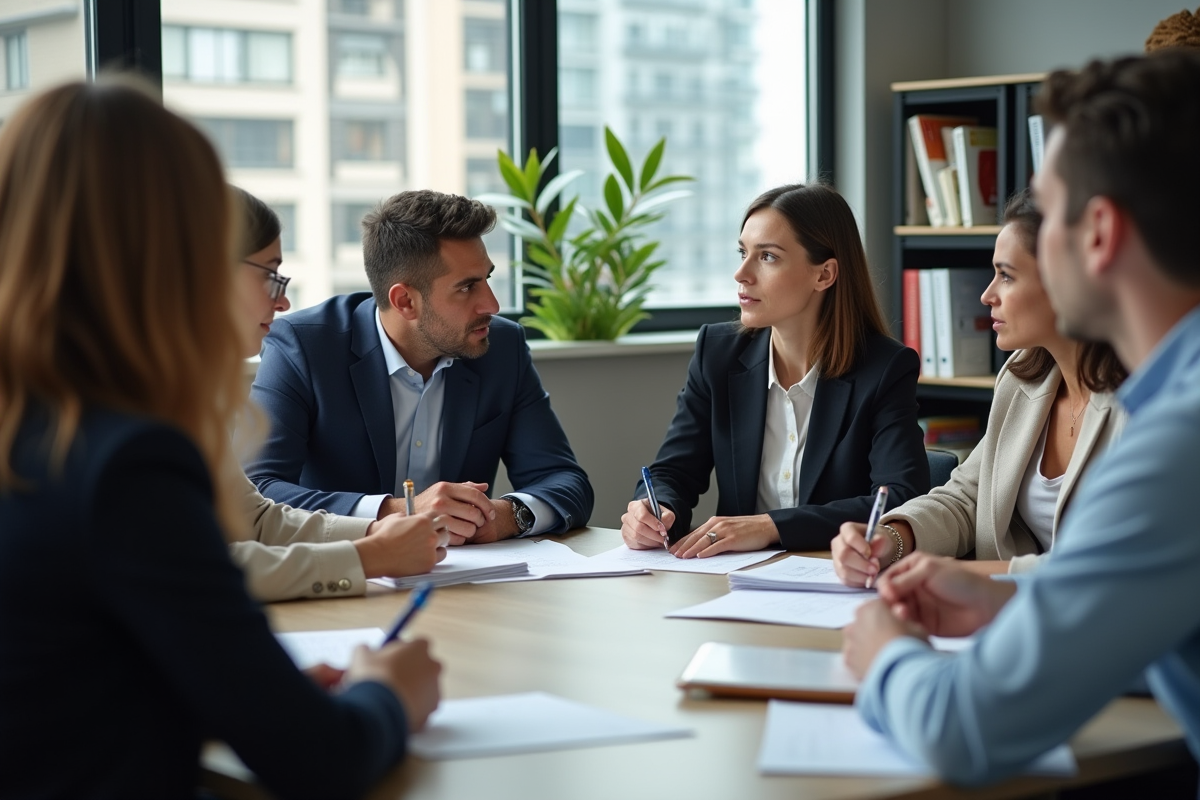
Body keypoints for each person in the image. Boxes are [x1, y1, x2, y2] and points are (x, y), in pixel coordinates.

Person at [0, 78, 440, 799]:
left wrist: (234, 693)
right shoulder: (126, 459)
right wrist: (390, 693)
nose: (279, 299)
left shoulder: (36, 424)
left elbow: (60, 680)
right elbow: (320, 760)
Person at [842, 50, 1200, 786]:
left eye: (1050, 206)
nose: (989, 291)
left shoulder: (1179, 442)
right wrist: (1010, 595)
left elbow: (964, 728)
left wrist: (884, 654)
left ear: (1098, 233)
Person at [246, 190, 593, 545]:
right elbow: (256, 491)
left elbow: (566, 482)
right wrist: (398, 512)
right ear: (405, 301)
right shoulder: (304, 346)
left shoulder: (502, 347)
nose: (491, 304)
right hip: (345, 566)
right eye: (467, 287)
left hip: (467, 573)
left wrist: (506, 516)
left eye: (487, 278)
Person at [831, 189, 1126, 585]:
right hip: (1010, 611)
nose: (987, 295)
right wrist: (892, 538)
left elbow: (1115, 561)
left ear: (1066, 285)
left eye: (1006, 275)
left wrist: (971, 578)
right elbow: (967, 498)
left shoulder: (1141, 403)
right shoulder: (1021, 379)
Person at [621, 183, 929, 555]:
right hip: (732, 575)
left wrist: (771, 526)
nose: (741, 274)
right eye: (743, 252)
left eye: (767, 256)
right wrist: (656, 508)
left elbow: (900, 499)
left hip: (832, 573)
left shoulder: (884, 369)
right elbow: (675, 471)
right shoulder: (717, 354)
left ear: (824, 275)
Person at [226, 187, 450, 602]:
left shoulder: (187, 396)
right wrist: (370, 555)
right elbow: (189, 566)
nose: (283, 301)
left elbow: (255, 520)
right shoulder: (128, 403)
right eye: (270, 277)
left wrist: (375, 531)